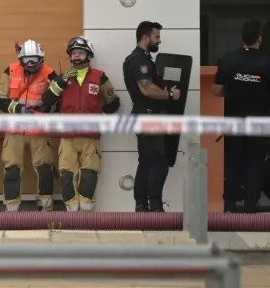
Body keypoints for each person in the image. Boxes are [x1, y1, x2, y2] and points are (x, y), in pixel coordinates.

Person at [213, 19, 270, 213]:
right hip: (257, 123)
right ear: (259, 38)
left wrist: (236, 90)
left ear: (241, 38)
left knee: (232, 163)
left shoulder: (228, 60)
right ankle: (250, 206)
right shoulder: (267, 62)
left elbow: (217, 90)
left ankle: (229, 205)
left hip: (233, 121)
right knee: (254, 164)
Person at [41, 36, 120, 211]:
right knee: (67, 177)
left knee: (89, 176)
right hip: (67, 137)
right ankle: (71, 215)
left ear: (88, 55)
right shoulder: (63, 79)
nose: (77, 56)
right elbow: (46, 100)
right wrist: (61, 81)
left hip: (90, 137)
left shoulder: (100, 77)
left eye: (81, 53)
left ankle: (86, 215)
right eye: (74, 53)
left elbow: (113, 103)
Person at [122, 20, 180, 213]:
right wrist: (170, 95)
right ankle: (153, 206)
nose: (159, 41)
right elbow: (146, 89)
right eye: (157, 37)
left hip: (148, 116)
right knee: (157, 162)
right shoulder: (139, 60)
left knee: (148, 161)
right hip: (147, 117)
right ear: (145, 37)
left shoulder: (144, 59)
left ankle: (143, 206)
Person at [0, 40, 59, 211]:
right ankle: (12, 211)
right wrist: (17, 108)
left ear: (41, 59)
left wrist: (47, 108)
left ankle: (45, 210)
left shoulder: (50, 74)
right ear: (21, 59)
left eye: (35, 61)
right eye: (27, 61)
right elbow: (0, 99)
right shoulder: (11, 70)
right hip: (15, 128)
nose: (31, 65)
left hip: (39, 129)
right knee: (12, 170)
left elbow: (59, 100)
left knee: (45, 170)